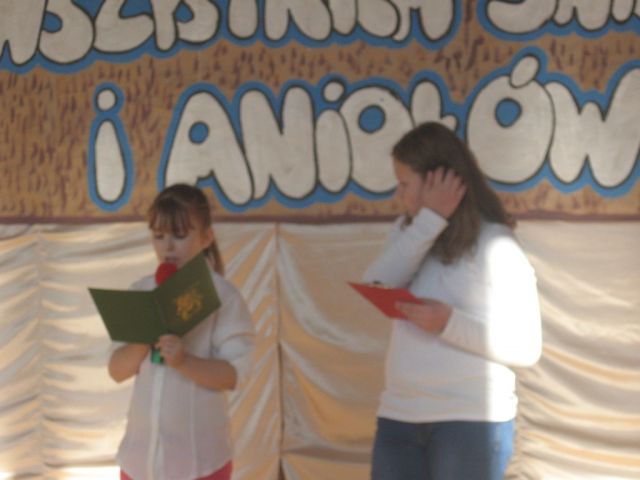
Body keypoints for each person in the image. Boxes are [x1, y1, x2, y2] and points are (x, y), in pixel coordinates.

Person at [364, 122, 542, 480]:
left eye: (404, 184)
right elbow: (378, 283)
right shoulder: (408, 230)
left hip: (471, 419)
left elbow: (526, 349)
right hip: (400, 413)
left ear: (437, 181)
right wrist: (431, 220)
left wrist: (448, 323)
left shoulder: (495, 243)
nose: (399, 194)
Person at [108, 184, 255, 480]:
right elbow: (116, 370)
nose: (168, 247)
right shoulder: (141, 290)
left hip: (200, 464)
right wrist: (141, 340)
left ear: (206, 237)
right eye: (159, 236)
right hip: (139, 463)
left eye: (180, 235)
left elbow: (235, 375)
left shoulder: (223, 296)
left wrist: (184, 361)